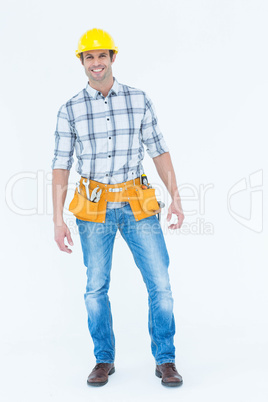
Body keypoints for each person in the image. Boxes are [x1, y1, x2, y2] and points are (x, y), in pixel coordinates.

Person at [51, 28, 185, 387]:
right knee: (96, 287)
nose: (96, 63)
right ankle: (104, 359)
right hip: (92, 207)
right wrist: (57, 220)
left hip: (136, 201)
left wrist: (176, 198)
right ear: (82, 61)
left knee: (160, 284)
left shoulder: (138, 100)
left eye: (102, 56)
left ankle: (166, 359)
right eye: (89, 57)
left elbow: (158, 150)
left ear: (113, 58)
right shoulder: (70, 110)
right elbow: (61, 165)